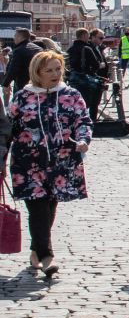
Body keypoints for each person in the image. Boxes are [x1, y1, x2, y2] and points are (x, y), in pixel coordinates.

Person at [7, 49, 92, 282]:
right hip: (28, 161)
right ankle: (47, 257)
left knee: (51, 205)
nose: (55, 74)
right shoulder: (23, 97)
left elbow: (83, 120)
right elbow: (8, 128)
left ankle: (37, 247)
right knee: (37, 205)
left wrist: (83, 140)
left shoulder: (71, 94)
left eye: (58, 69)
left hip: (62, 160)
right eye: (49, 70)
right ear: (37, 72)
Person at [66, 29, 106, 120]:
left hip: (74, 79)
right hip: (86, 80)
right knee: (92, 103)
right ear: (83, 35)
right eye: (88, 35)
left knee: (76, 102)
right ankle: (91, 121)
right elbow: (95, 65)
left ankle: (76, 120)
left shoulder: (71, 49)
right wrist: (101, 65)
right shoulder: (87, 48)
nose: (89, 38)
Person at [5, 26, 37, 99]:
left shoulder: (19, 50)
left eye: (15, 36)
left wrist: (6, 84)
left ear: (20, 37)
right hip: (37, 82)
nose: (14, 38)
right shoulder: (38, 48)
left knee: (19, 104)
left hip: (22, 83)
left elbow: (13, 69)